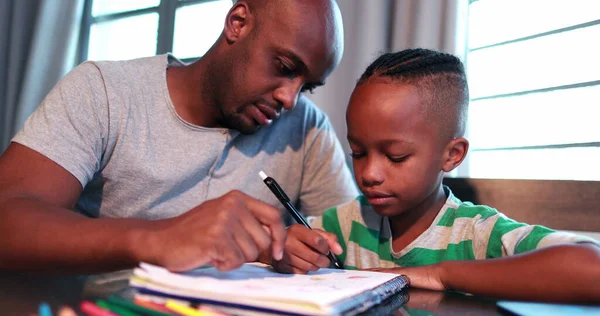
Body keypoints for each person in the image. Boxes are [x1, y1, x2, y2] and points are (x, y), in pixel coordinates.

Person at [0, 0, 358, 273]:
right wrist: (159, 237)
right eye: (283, 67)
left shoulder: (306, 130)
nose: (290, 99)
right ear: (238, 23)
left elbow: (352, 250)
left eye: (307, 87)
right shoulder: (105, 92)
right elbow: (8, 220)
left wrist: (283, 250)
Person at [270, 49, 600, 302]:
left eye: (395, 157)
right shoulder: (347, 223)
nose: (368, 173)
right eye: (357, 153)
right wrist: (287, 250)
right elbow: (282, 248)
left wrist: (438, 274)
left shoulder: (477, 234)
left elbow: (592, 267)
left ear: (451, 155)